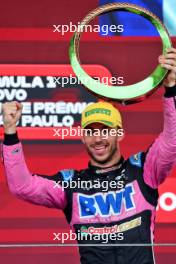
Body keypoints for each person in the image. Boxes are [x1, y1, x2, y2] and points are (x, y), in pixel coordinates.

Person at [1, 48, 176, 264]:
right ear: (83, 138)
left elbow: (172, 141)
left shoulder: (143, 170)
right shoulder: (70, 184)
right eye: (91, 132)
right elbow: (21, 186)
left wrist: (171, 90)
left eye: (105, 130)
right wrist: (9, 132)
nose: (98, 139)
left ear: (119, 133)